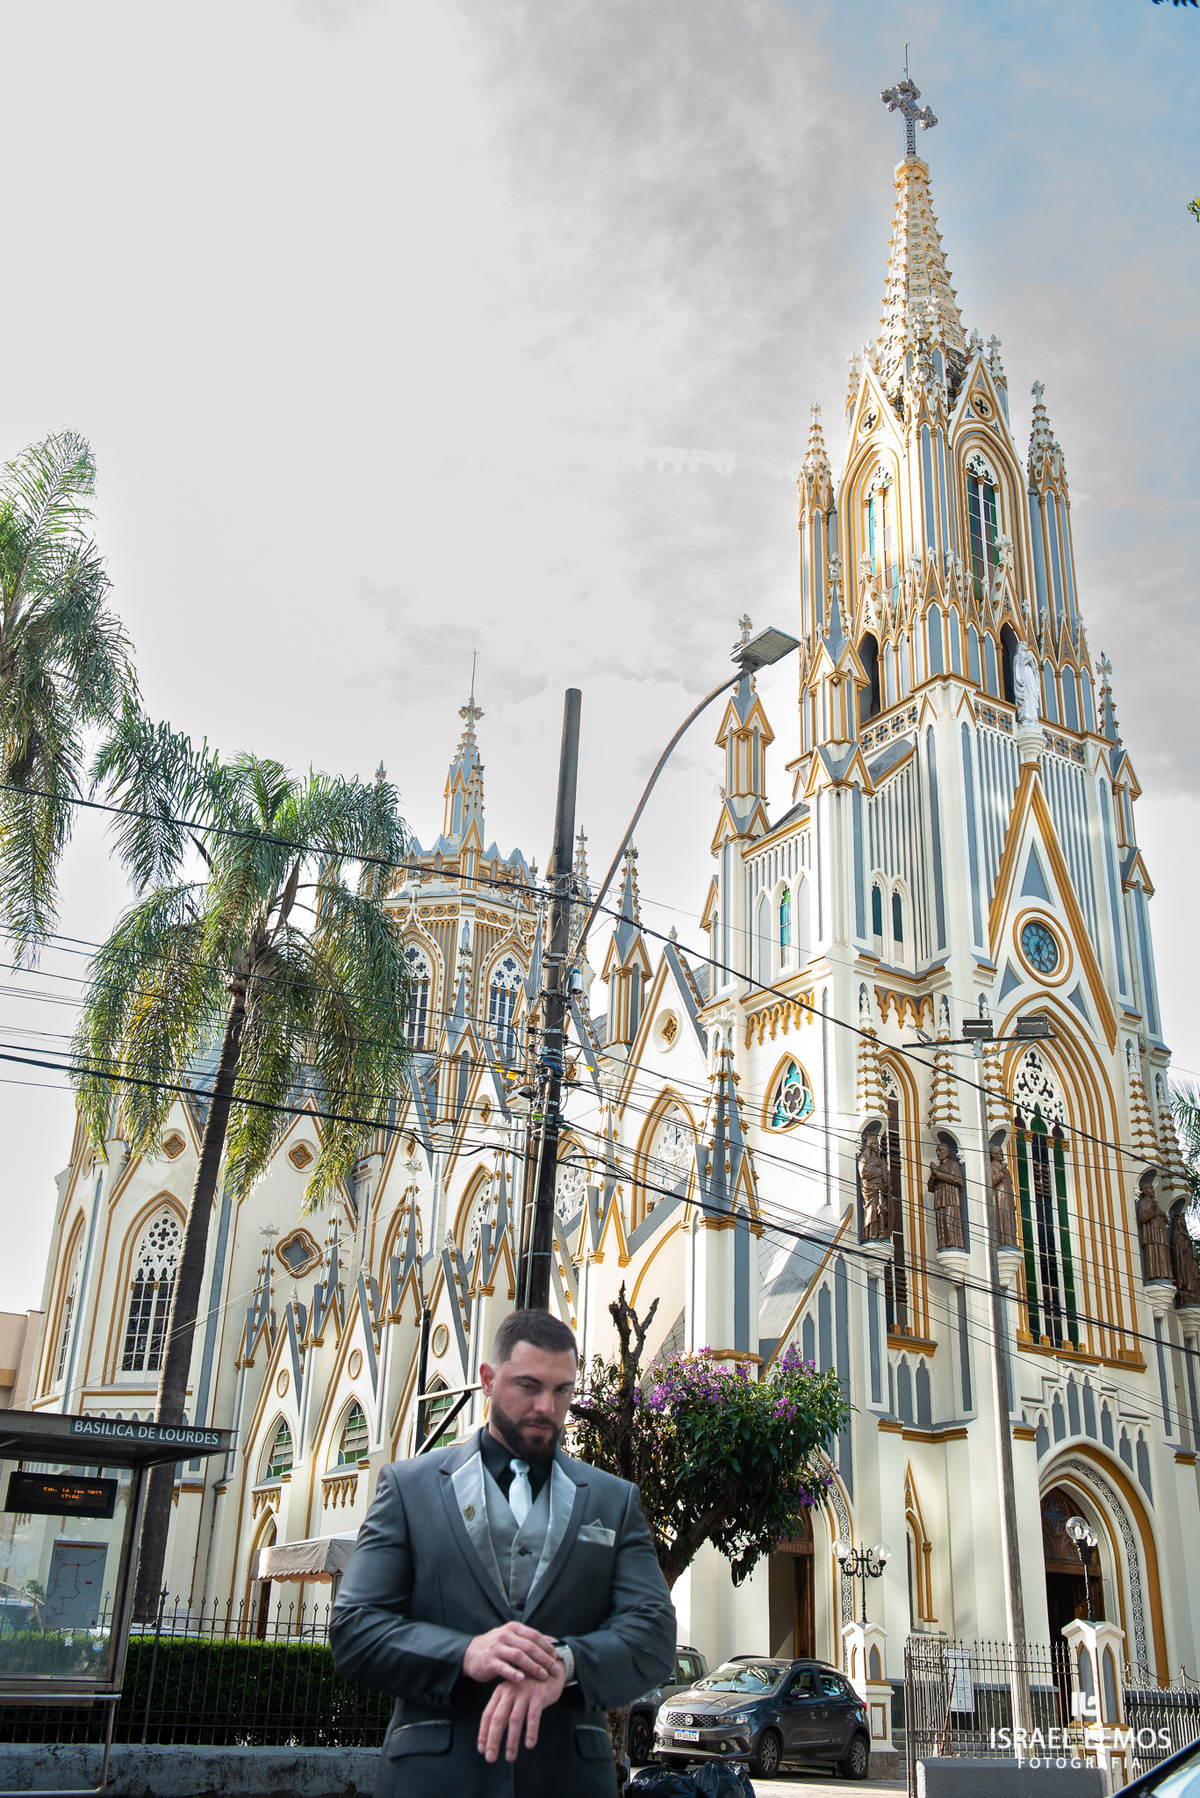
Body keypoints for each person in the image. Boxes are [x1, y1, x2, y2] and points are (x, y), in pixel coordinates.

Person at [330, 1308, 676, 1796]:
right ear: (488, 1380)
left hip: (569, 1779)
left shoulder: (612, 1501)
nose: (546, 1407)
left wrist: (567, 1664)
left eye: (562, 1391)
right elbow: (355, 1628)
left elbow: (654, 1634)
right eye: (528, 1386)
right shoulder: (409, 1489)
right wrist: (465, 1652)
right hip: (435, 1778)